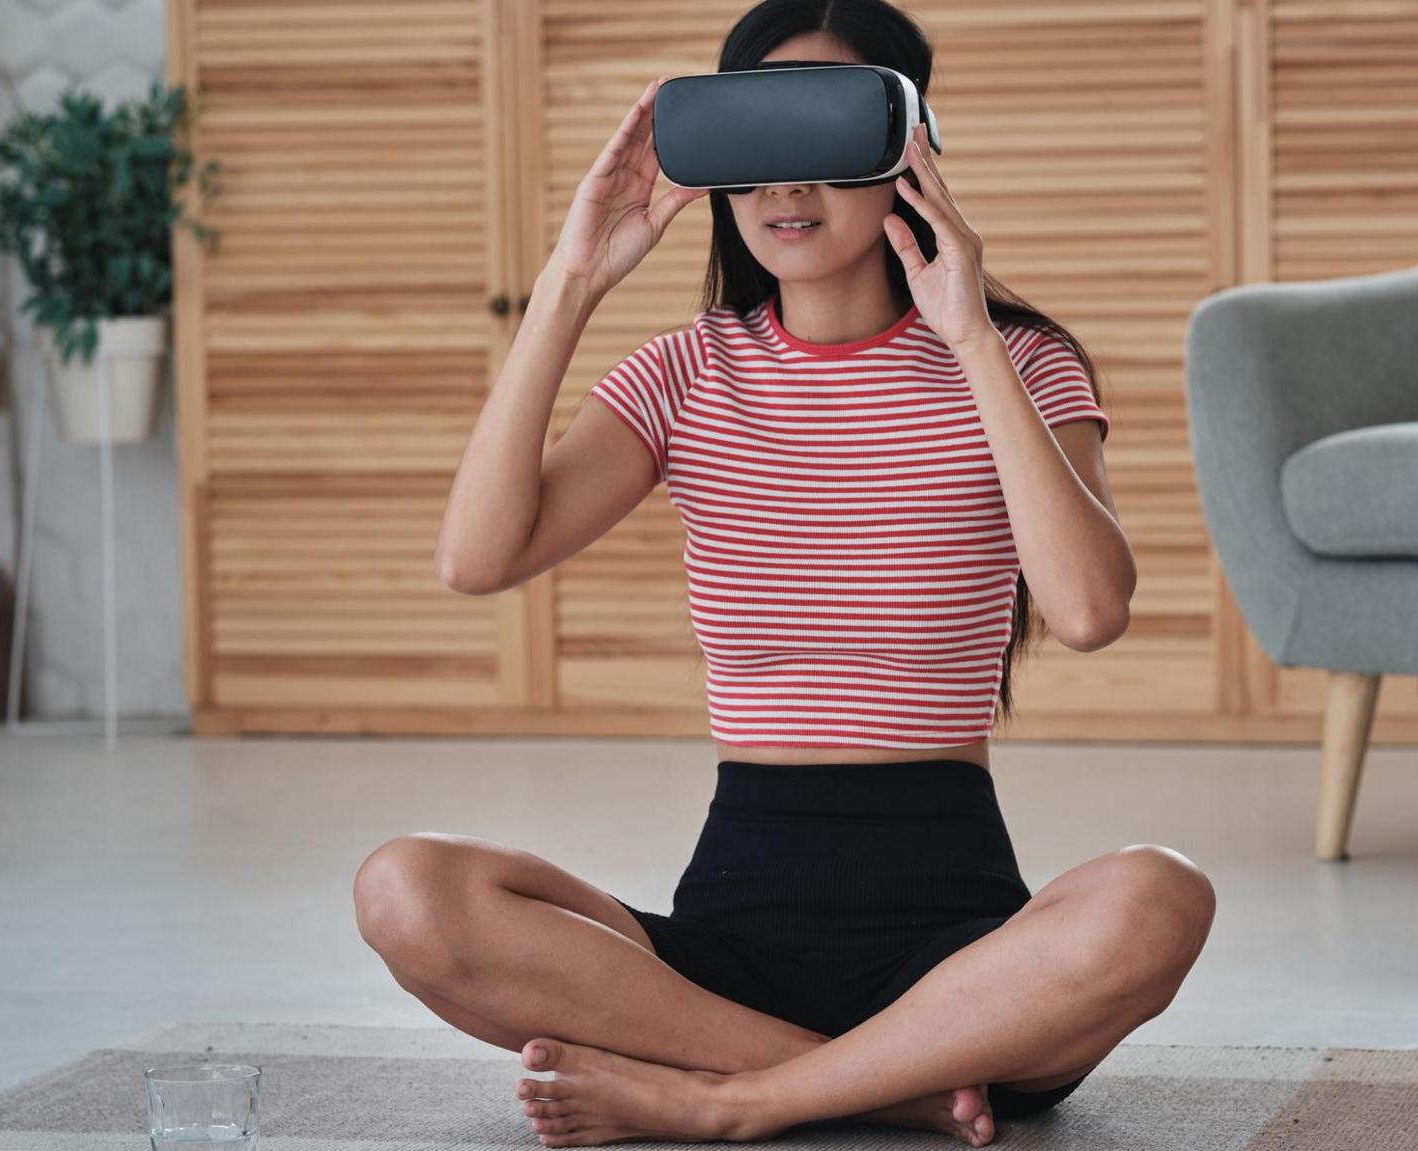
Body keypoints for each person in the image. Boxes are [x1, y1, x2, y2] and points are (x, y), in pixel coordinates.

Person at [353, 1, 1215, 1145]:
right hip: (724, 958)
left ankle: (738, 1098)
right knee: (403, 888)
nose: (782, 187)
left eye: (821, 142)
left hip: (960, 958)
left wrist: (966, 334)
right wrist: (572, 278)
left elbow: (1089, 609)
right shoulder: (688, 370)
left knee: (1158, 894)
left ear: (909, 149)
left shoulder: (1015, 361)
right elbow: (477, 557)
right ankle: (889, 1084)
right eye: (752, 150)